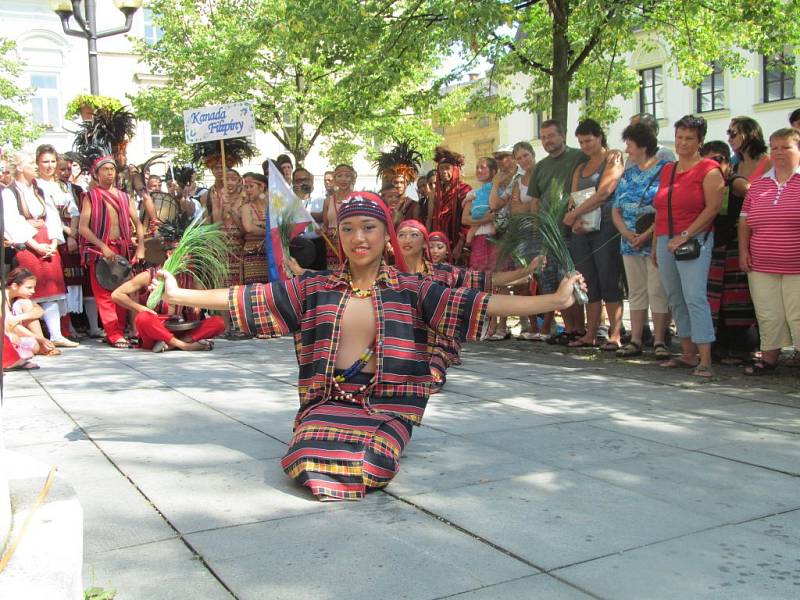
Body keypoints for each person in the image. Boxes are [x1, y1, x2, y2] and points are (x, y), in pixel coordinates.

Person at [158, 192, 584, 501]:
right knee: (307, 455)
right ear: (338, 235)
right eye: (347, 228)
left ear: (385, 236)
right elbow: (248, 297)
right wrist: (179, 296)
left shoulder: (415, 289)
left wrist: (553, 300)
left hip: (387, 405)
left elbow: (480, 301)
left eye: (368, 227)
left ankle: (372, 448)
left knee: (371, 459)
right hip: (328, 401)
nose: (358, 237)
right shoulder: (316, 287)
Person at [397, 218, 540, 389]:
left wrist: (528, 269)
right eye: (402, 235)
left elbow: (489, 279)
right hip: (401, 339)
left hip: (439, 338)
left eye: (414, 235)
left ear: (424, 243)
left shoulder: (445, 272)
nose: (407, 239)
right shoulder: (388, 275)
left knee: (430, 377)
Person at [652, 115, 724, 377]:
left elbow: (713, 208)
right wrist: (655, 244)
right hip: (664, 239)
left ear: (700, 141)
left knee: (694, 296)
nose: (683, 143)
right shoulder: (668, 169)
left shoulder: (709, 169)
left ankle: (705, 359)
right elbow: (661, 209)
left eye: (689, 138)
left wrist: (685, 234)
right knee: (675, 297)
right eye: (680, 137)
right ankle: (687, 353)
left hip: (694, 239)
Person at [738, 128, 800, 375]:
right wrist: (744, 252)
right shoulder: (759, 184)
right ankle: (769, 359)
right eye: (774, 147)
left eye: (785, 147)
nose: (778, 152)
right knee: (768, 313)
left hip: (796, 265)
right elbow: (744, 222)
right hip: (761, 265)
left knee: (798, 315)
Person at [612, 122, 671, 359]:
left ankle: (659, 341)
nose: (627, 151)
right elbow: (616, 208)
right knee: (636, 291)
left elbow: (666, 208)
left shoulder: (666, 169)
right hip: (629, 241)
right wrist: (626, 233)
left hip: (655, 241)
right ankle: (636, 340)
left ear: (643, 146)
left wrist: (646, 235)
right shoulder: (628, 173)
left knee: (657, 291)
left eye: (630, 145)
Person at [527, 119, 589, 344]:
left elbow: (586, 189)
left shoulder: (578, 157)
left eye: (551, 136)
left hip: (573, 230)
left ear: (562, 135)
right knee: (553, 283)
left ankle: (581, 329)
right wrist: (536, 230)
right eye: (543, 137)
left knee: (572, 281)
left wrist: (578, 216)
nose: (547, 141)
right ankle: (569, 330)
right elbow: (535, 201)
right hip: (548, 235)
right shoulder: (541, 167)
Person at [565, 119, 625, 351]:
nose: (585, 146)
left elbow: (604, 193)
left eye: (588, 140)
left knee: (609, 278)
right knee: (588, 281)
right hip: (582, 229)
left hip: (606, 226)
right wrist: (575, 217)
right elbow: (574, 196)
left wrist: (574, 215)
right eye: (580, 142)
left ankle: (615, 333)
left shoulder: (614, 158)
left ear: (600, 137)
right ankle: (591, 333)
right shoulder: (580, 168)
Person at [1, 151, 69, 351]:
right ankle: (38, 338)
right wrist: (36, 245)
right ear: (20, 167)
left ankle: (56, 335)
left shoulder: (40, 189)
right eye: (31, 162)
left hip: (46, 241)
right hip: (27, 244)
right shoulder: (9, 192)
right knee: (29, 289)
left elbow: (53, 217)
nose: (36, 165)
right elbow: (13, 222)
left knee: (52, 288)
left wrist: (54, 243)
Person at [78, 151, 146, 348]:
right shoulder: (90, 196)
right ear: (96, 174)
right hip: (101, 252)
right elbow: (83, 227)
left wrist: (140, 246)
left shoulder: (125, 197)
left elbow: (138, 224)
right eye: (105, 170)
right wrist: (102, 246)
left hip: (123, 248)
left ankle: (121, 331)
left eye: (112, 169)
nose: (109, 173)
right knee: (104, 295)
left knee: (122, 291)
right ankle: (114, 334)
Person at [700, 141, 758, 363]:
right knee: (715, 302)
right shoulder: (706, 182)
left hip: (734, 247)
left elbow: (754, 197)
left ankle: (743, 350)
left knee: (737, 302)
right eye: (708, 161)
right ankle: (719, 348)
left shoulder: (735, 182)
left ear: (727, 161)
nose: (713, 165)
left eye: (717, 160)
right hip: (714, 247)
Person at [111, 268, 225, 352]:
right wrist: (141, 308)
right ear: (168, 253)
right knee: (143, 318)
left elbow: (203, 297)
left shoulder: (191, 278)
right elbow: (116, 294)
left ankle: (172, 345)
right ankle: (185, 346)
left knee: (218, 322)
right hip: (156, 331)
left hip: (182, 328)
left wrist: (198, 304)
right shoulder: (150, 275)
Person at [37, 148, 83, 343]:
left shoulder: (62, 187)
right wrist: (65, 231)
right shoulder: (36, 185)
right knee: (43, 284)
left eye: (53, 162)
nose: (50, 166)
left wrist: (72, 234)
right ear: (38, 163)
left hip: (62, 239)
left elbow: (74, 212)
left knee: (61, 284)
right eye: (46, 162)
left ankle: (63, 329)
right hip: (44, 235)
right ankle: (44, 333)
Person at [507, 141, 545, 341]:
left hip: (542, 232)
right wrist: (532, 205)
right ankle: (530, 324)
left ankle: (547, 324)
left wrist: (529, 206)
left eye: (525, 156)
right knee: (525, 279)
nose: (523, 160)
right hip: (522, 233)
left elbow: (544, 203)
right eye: (519, 158)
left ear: (533, 154)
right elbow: (515, 210)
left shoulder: (544, 173)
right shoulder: (518, 181)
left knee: (544, 279)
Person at [431, 147, 472, 262]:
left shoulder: (465, 190)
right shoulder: (436, 193)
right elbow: (431, 218)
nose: (444, 171)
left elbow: (467, 223)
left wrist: (460, 245)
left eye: (447, 168)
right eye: (441, 168)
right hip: (438, 244)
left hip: (457, 244)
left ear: (455, 170)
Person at [4, 268, 54, 360]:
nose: (33, 291)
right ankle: (41, 344)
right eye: (29, 288)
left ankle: (42, 345)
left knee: (26, 303)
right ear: (14, 286)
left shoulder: (18, 297)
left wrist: (18, 318)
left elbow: (39, 310)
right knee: (34, 347)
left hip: (14, 328)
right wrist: (39, 338)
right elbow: (10, 326)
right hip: (6, 334)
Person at [322, 164, 356, 269]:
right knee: (335, 276)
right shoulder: (328, 200)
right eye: (340, 176)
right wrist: (321, 231)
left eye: (347, 176)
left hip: (351, 243)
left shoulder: (357, 199)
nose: (343, 179)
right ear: (335, 179)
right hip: (332, 246)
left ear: (352, 179)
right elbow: (325, 225)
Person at [293, 167, 327, 270]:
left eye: (305, 179)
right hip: (296, 246)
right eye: (298, 180)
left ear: (311, 181)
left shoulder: (321, 199)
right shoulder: (288, 201)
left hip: (318, 245)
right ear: (293, 182)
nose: (302, 183)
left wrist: (304, 214)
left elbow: (323, 217)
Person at [241, 172, 269, 284]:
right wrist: (269, 230)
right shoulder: (246, 207)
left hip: (271, 254)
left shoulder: (272, 207)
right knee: (254, 292)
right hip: (253, 254)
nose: (248, 190)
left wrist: (257, 223)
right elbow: (249, 228)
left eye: (251, 186)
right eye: (246, 187)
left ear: (262, 187)